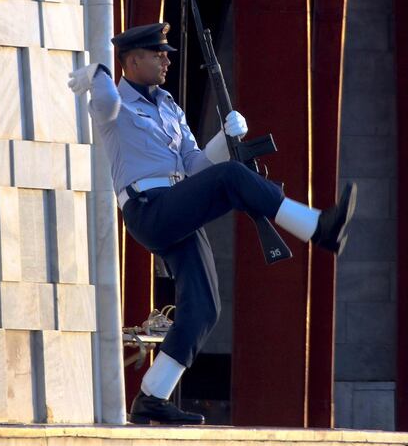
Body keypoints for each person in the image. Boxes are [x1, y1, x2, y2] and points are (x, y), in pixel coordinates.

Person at [68, 22, 356, 425]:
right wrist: (96, 72)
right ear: (133, 60)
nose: (167, 60)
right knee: (231, 180)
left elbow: (196, 165)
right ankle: (317, 227)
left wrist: (223, 138)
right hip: (149, 208)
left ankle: (151, 397)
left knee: (203, 308)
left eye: (166, 53)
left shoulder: (169, 106)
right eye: (158, 54)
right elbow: (103, 100)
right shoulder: (114, 105)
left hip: (177, 207)